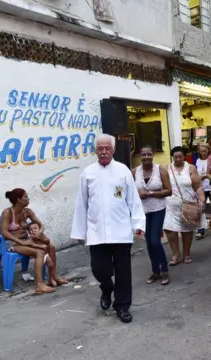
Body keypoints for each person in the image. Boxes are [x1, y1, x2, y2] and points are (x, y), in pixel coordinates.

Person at [71, 134, 145, 324]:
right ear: (95, 150)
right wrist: (80, 232)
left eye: (107, 148)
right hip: (96, 232)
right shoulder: (87, 173)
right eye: (100, 148)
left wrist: (138, 224)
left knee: (123, 272)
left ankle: (122, 306)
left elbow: (133, 200)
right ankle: (106, 287)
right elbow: (82, 204)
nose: (104, 151)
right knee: (99, 269)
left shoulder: (123, 171)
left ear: (113, 150)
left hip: (121, 231)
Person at [0, 188, 67, 294]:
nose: (28, 199)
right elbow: (4, 232)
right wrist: (23, 242)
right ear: (18, 199)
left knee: (51, 246)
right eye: (26, 197)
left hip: (27, 241)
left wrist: (39, 232)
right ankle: (39, 285)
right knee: (39, 252)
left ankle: (53, 276)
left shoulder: (27, 212)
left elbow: (41, 225)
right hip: (14, 244)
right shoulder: (7, 212)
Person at [132, 145, 172, 286]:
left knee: (155, 240)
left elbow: (169, 191)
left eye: (149, 154)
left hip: (158, 209)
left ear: (153, 155)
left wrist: (150, 194)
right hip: (142, 211)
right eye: (144, 154)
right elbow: (129, 191)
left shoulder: (160, 170)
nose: (147, 157)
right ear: (140, 156)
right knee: (149, 242)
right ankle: (155, 272)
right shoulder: (134, 172)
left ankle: (164, 270)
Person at [163, 146, 205, 265]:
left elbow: (198, 186)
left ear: (184, 156)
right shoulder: (166, 168)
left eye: (180, 156)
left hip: (187, 205)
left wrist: (202, 200)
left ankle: (186, 253)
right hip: (170, 205)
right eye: (175, 157)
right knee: (170, 230)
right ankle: (176, 254)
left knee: (187, 230)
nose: (177, 159)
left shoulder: (190, 168)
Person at [195, 143, 211, 238]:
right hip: (201, 187)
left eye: (205, 151)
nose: (203, 153)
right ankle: (201, 229)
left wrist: (206, 175)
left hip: (210, 186)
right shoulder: (197, 161)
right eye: (201, 151)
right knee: (201, 207)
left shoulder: (210, 160)